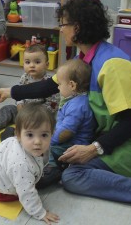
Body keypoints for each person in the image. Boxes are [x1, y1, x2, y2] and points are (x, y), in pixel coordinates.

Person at [0, 0, 131, 209]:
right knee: (57, 151)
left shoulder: (113, 65)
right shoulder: (85, 58)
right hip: (110, 132)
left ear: (77, 27)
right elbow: (49, 86)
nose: (61, 29)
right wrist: (9, 91)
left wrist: (93, 149)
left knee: (73, 176)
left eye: (63, 24)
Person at [0, 104, 60, 224]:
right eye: (30, 135)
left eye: (44, 135)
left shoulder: (15, 142)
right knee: (29, 186)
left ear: (52, 134)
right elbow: (27, 193)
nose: (37, 141)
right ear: (18, 135)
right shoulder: (21, 165)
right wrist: (40, 213)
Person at [0, 44, 59, 137]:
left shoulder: (50, 82)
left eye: (37, 62)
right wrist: (19, 105)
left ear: (47, 65)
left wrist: (36, 113)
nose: (32, 65)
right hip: (22, 111)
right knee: (7, 109)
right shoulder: (24, 78)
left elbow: (53, 104)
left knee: (38, 126)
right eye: (27, 62)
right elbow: (19, 94)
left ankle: (14, 134)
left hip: (39, 116)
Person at [39, 58, 95, 188]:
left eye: (59, 84)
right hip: (67, 138)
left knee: (52, 148)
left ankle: (53, 169)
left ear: (72, 85)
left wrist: (48, 141)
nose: (58, 87)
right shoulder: (76, 100)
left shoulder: (77, 106)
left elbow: (66, 133)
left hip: (74, 144)